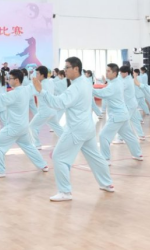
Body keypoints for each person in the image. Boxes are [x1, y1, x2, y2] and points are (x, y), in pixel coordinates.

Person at [32, 57, 114, 202]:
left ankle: (65, 192)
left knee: (59, 157)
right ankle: (107, 183)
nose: (64, 70)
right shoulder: (85, 82)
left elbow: (59, 103)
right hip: (87, 128)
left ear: (76, 69)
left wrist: (41, 92)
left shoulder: (75, 87)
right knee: (95, 157)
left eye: (67, 67)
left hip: (76, 129)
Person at [0, 69, 49, 178]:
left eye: (10, 78)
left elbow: (1, 98)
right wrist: (35, 78)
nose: (8, 80)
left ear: (16, 80)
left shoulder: (14, 94)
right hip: (23, 127)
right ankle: (43, 165)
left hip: (14, 128)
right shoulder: (26, 89)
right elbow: (34, 85)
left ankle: (0, 171)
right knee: (28, 146)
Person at [93, 63, 143, 163]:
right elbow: (106, 87)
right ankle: (138, 154)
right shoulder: (118, 81)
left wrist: (87, 89)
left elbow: (101, 93)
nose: (106, 73)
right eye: (106, 71)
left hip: (117, 116)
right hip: (123, 114)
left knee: (103, 135)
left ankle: (106, 159)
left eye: (108, 71)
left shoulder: (115, 84)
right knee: (129, 136)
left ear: (115, 73)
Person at [29, 66, 64, 149]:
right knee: (57, 127)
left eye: (37, 73)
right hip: (52, 110)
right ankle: (67, 141)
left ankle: (37, 144)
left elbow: (32, 92)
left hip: (44, 111)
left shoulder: (40, 85)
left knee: (32, 126)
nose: (36, 75)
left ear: (42, 75)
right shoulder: (50, 82)